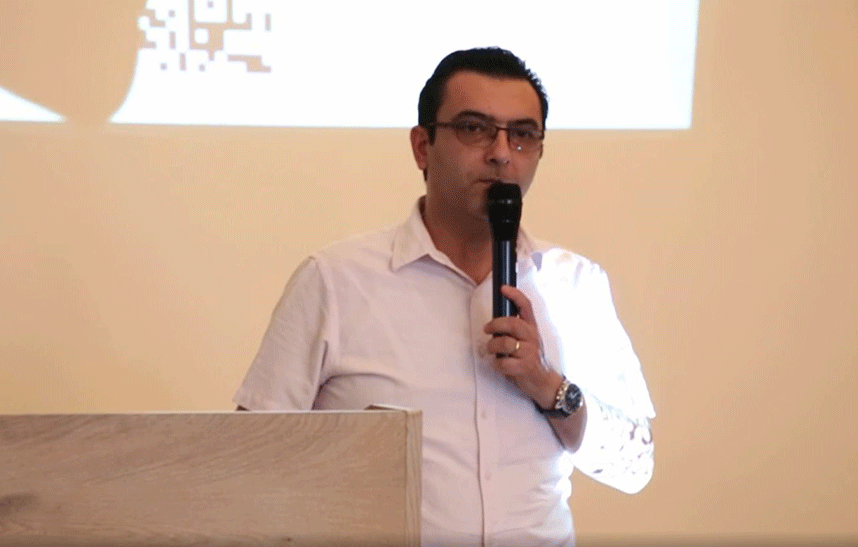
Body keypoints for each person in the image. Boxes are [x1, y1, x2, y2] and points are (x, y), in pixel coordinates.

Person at [234, 47, 655, 547]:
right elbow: (249, 463)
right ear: (422, 147)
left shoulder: (575, 285)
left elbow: (635, 466)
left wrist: (549, 387)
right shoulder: (335, 282)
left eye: (522, 135)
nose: (502, 153)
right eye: (475, 128)